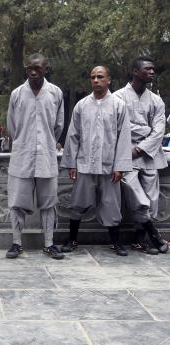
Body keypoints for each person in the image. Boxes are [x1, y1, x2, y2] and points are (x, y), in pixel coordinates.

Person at [60, 66, 132, 256]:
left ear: (108, 79)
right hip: (85, 164)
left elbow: (124, 137)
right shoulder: (82, 105)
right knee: (77, 204)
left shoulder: (118, 105)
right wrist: (72, 163)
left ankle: (115, 242)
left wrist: (120, 166)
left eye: (100, 77)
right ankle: (71, 239)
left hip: (110, 167)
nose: (96, 80)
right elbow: (73, 135)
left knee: (112, 205)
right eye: (93, 77)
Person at [5, 53, 65, 260]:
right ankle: (16, 243)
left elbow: (58, 126)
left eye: (37, 68)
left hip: (47, 157)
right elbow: (12, 126)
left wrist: (47, 143)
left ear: (45, 69)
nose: (33, 71)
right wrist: (23, 142)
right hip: (22, 155)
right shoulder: (17, 94)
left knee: (49, 203)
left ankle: (49, 244)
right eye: (30, 68)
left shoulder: (55, 93)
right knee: (17, 201)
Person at [115, 56, 169, 255]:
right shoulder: (118, 97)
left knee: (152, 198)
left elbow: (159, 130)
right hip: (125, 154)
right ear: (135, 72)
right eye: (148, 69)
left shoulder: (156, 100)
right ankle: (153, 234)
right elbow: (118, 126)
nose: (152, 72)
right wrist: (145, 130)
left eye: (153, 69)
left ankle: (142, 239)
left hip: (148, 154)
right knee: (136, 194)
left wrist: (140, 147)